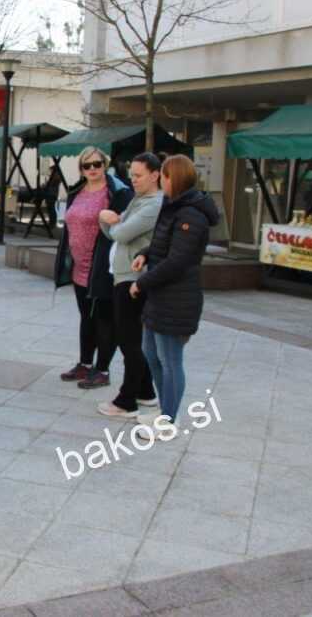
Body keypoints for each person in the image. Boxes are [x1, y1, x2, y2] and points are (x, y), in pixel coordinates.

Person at [131, 154, 220, 432]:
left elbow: (178, 261)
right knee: (151, 353)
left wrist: (142, 283)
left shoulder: (191, 215)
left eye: (164, 175)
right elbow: (163, 244)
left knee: (170, 360)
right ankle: (165, 409)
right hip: (161, 296)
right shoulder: (173, 206)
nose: (161, 179)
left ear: (175, 178)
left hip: (177, 298)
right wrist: (145, 254)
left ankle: (169, 420)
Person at [54, 147, 132, 390]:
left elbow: (125, 224)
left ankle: (103, 370)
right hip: (79, 266)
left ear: (105, 164)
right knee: (86, 318)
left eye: (97, 164)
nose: (92, 169)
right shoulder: (76, 190)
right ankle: (85, 364)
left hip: (102, 267)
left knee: (104, 319)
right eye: (86, 165)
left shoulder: (117, 192)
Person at [97, 153, 163, 419]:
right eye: (131, 175)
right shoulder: (138, 199)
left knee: (129, 341)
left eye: (138, 175)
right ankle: (145, 392)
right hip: (122, 275)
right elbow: (111, 231)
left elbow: (122, 233)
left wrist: (112, 220)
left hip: (134, 279)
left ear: (155, 175)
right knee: (131, 338)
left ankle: (126, 401)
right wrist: (107, 219)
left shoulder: (154, 204)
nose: (133, 180)